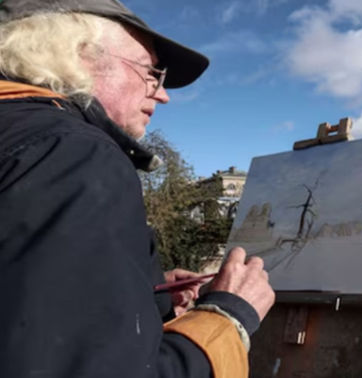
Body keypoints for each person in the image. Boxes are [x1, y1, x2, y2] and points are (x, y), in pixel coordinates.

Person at [0, 1, 275, 377]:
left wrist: (142, 293)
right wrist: (228, 315)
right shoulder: (72, 154)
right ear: (78, 53)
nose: (162, 95)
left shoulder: (19, 133)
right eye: (152, 73)